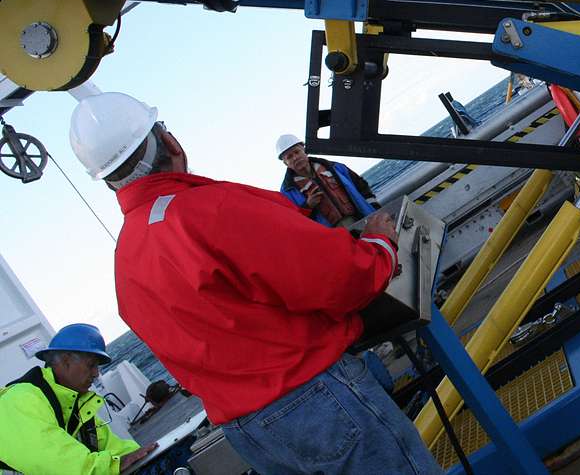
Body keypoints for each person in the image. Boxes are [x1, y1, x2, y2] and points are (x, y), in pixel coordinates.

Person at [69, 92, 442, 475]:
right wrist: (379, 244)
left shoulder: (126, 258)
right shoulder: (207, 209)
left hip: (250, 434)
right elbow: (343, 278)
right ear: (169, 141)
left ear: (109, 182)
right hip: (318, 401)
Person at [0, 323, 156, 474]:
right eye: (90, 365)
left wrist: (146, 458)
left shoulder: (79, 405)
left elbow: (117, 448)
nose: (96, 374)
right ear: (66, 360)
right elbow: (60, 465)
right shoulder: (22, 399)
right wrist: (115, 464)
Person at [275, 133, 381, 229]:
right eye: (289, 157)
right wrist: (307, 206)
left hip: (363, 220)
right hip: (334, 237)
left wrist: (374, 207)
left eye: (297, 152)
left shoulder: (334, 167)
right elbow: (293, 221)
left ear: (304, 150)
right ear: (285, 163)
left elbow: (361, 185)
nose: (295, 158)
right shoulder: (286, 192)